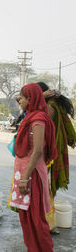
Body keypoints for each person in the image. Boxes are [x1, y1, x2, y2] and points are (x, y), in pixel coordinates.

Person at [8, 83, 58, 252]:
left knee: (36, 220)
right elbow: (25, 98)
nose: (19, 101)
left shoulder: (38, 119)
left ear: (30, 100)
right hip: (25, 173)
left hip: (31, 175)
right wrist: (35, 95)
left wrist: (24, 178)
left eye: (22, 98)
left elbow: (37, 151)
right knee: (27, 219)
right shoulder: (31, 114)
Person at [37, 82, 76, 231]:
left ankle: (47, 224)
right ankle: (49, 223)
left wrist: (40, 96)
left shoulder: (48, 108)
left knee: (43, 188)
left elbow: (31, 106)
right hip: (52, 150)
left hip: (45, 152)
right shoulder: (55, 105)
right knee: (47, 188)